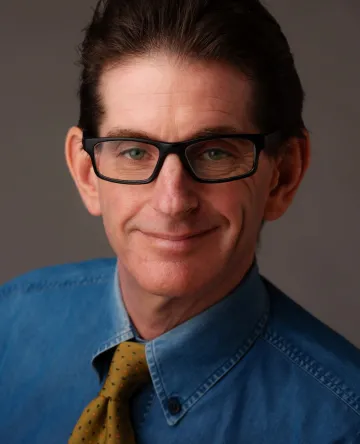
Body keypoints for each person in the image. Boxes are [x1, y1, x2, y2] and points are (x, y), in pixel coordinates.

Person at [1, 0, 360, 442]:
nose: (172, 201)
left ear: (282, 176)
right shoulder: (8, 326)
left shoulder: (344, 423)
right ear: (86, 173)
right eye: (134, 151)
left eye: (214, 153)